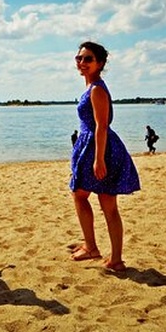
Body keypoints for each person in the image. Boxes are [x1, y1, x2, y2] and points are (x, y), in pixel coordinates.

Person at [68, 42, 140, 273]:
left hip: (99, 148)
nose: (82, 63)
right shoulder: (92, 87)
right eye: (79, 58)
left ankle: (103, 253)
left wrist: (99, 159)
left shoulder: (97, 89)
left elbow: (101, 126)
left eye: (88, 59)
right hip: (93, 146)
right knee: (91, 198)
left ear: (100, 63)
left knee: (94, 200)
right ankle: (99, 250)